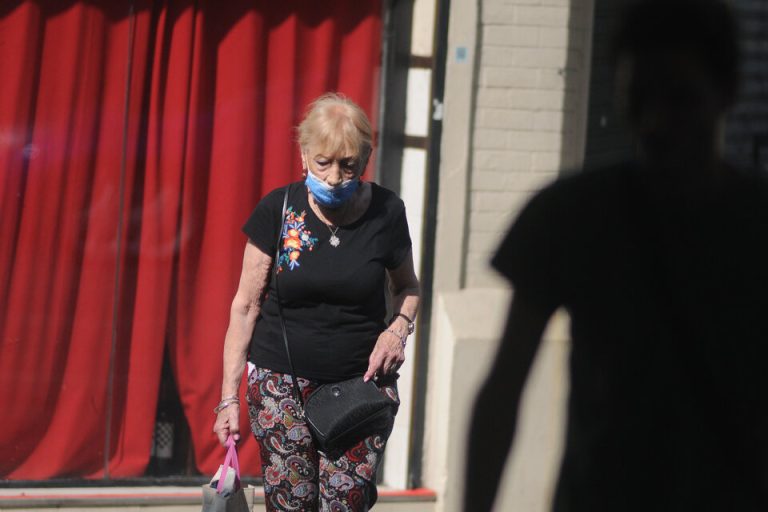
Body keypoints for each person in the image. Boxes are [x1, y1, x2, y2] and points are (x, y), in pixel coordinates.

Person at [465, 1, 768, 510]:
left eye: (679, 98)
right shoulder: (571, 215)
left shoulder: (570, 213)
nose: (655, 121)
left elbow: (503, 390)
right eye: (641, 96)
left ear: (726, 93)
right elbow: (502, 393)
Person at [213, 93, 420, 512]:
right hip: (281, 386)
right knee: (292, 504)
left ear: (366, 160)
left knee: (345, 503)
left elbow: (408, 287)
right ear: (304, 155)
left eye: (348, 165)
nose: (334, 177)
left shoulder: (387, 212)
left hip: (359, 389)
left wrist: (396, 331)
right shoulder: (278, 210)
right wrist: (228, 398)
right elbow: (246, 306)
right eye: (323, 162)